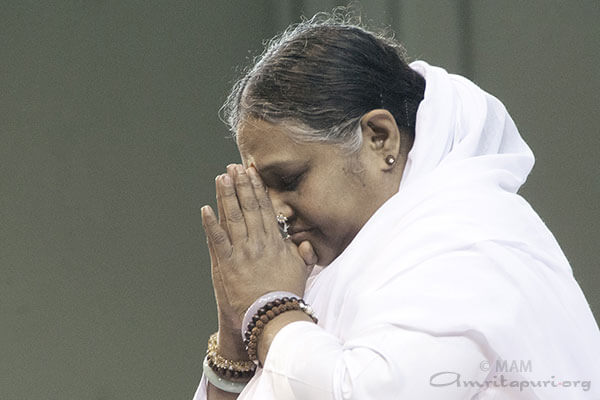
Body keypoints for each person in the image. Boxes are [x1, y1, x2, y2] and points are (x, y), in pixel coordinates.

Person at [194, 13, 600, 400]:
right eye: (264, 193)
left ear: (379, 138)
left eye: (289, 180)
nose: (277, 213)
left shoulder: (467, 238)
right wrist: (236, 334)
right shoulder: (327, 269)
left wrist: (269, 310)